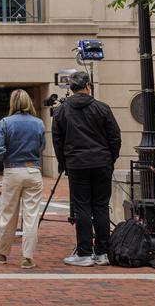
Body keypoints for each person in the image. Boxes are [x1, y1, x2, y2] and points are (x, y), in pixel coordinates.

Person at [51, 70, 122, 267]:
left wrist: (63, 163)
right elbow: (115, 137)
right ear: (88, 86)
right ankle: (102, 252)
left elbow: (57, 141)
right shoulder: (102, 108)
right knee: (101, 206)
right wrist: (110, 158)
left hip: (76, 164)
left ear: (71, 88)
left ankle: (84, 252)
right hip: (101, 163)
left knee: (82, 207)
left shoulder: (61, 111)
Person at [0, 89, 45, 269]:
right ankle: (28, 257)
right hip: (33, 170)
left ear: (12, 103)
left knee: (8, 214)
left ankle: (2, 253)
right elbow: (42, 146)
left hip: (13, 170)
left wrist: (8, 156)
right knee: (31, 216)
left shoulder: (5, 122)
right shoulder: (38, 123)